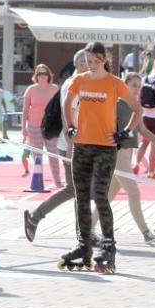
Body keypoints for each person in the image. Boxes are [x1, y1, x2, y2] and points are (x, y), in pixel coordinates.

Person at [58, 42, 141, 273]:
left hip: (105, 147)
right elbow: (67, 103)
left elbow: (137, 109)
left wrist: (124, 132)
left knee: (101, 197)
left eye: (95, 61)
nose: (91, 65)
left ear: (104, 60)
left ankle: (108, 246)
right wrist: (70, 128)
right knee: (81, 197)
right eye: (87, 61)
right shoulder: (79, 80)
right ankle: (84, 245)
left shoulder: (114, 83)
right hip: (82, 146)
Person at [90, 72, 155, 245]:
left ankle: (88, 230)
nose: (137, 89)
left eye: (139, 86)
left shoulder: (136, 106)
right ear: (125, 86)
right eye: (133, 85)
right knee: (134, 193)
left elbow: (143, 130)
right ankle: (146, 233)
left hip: (127, 153)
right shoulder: (116, 104)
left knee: (107, 197)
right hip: (116, 154)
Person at [23, 49, 87, 241]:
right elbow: (66, 114)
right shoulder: (72, 83)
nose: (93, 65)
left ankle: (82, 232)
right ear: (80, 64)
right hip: (70, 143)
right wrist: (70, 145)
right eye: (89, 62)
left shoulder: (85, 82)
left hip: (81, 142)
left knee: (79, 189)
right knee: (74, 189)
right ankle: (36, 217)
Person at [22, 64, 62, 188]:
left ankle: (58, 181)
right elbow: (25, 109)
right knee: (37, 156)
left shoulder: (55, 89)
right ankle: (38, 181)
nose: (43, 76)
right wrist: (23, 127)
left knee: (54, 155)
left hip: (50, 128)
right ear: (36, 76)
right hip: (34, 126)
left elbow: (60, 108)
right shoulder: (31, 89)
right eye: (40, 74)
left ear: (49, 75)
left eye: (45, 73)